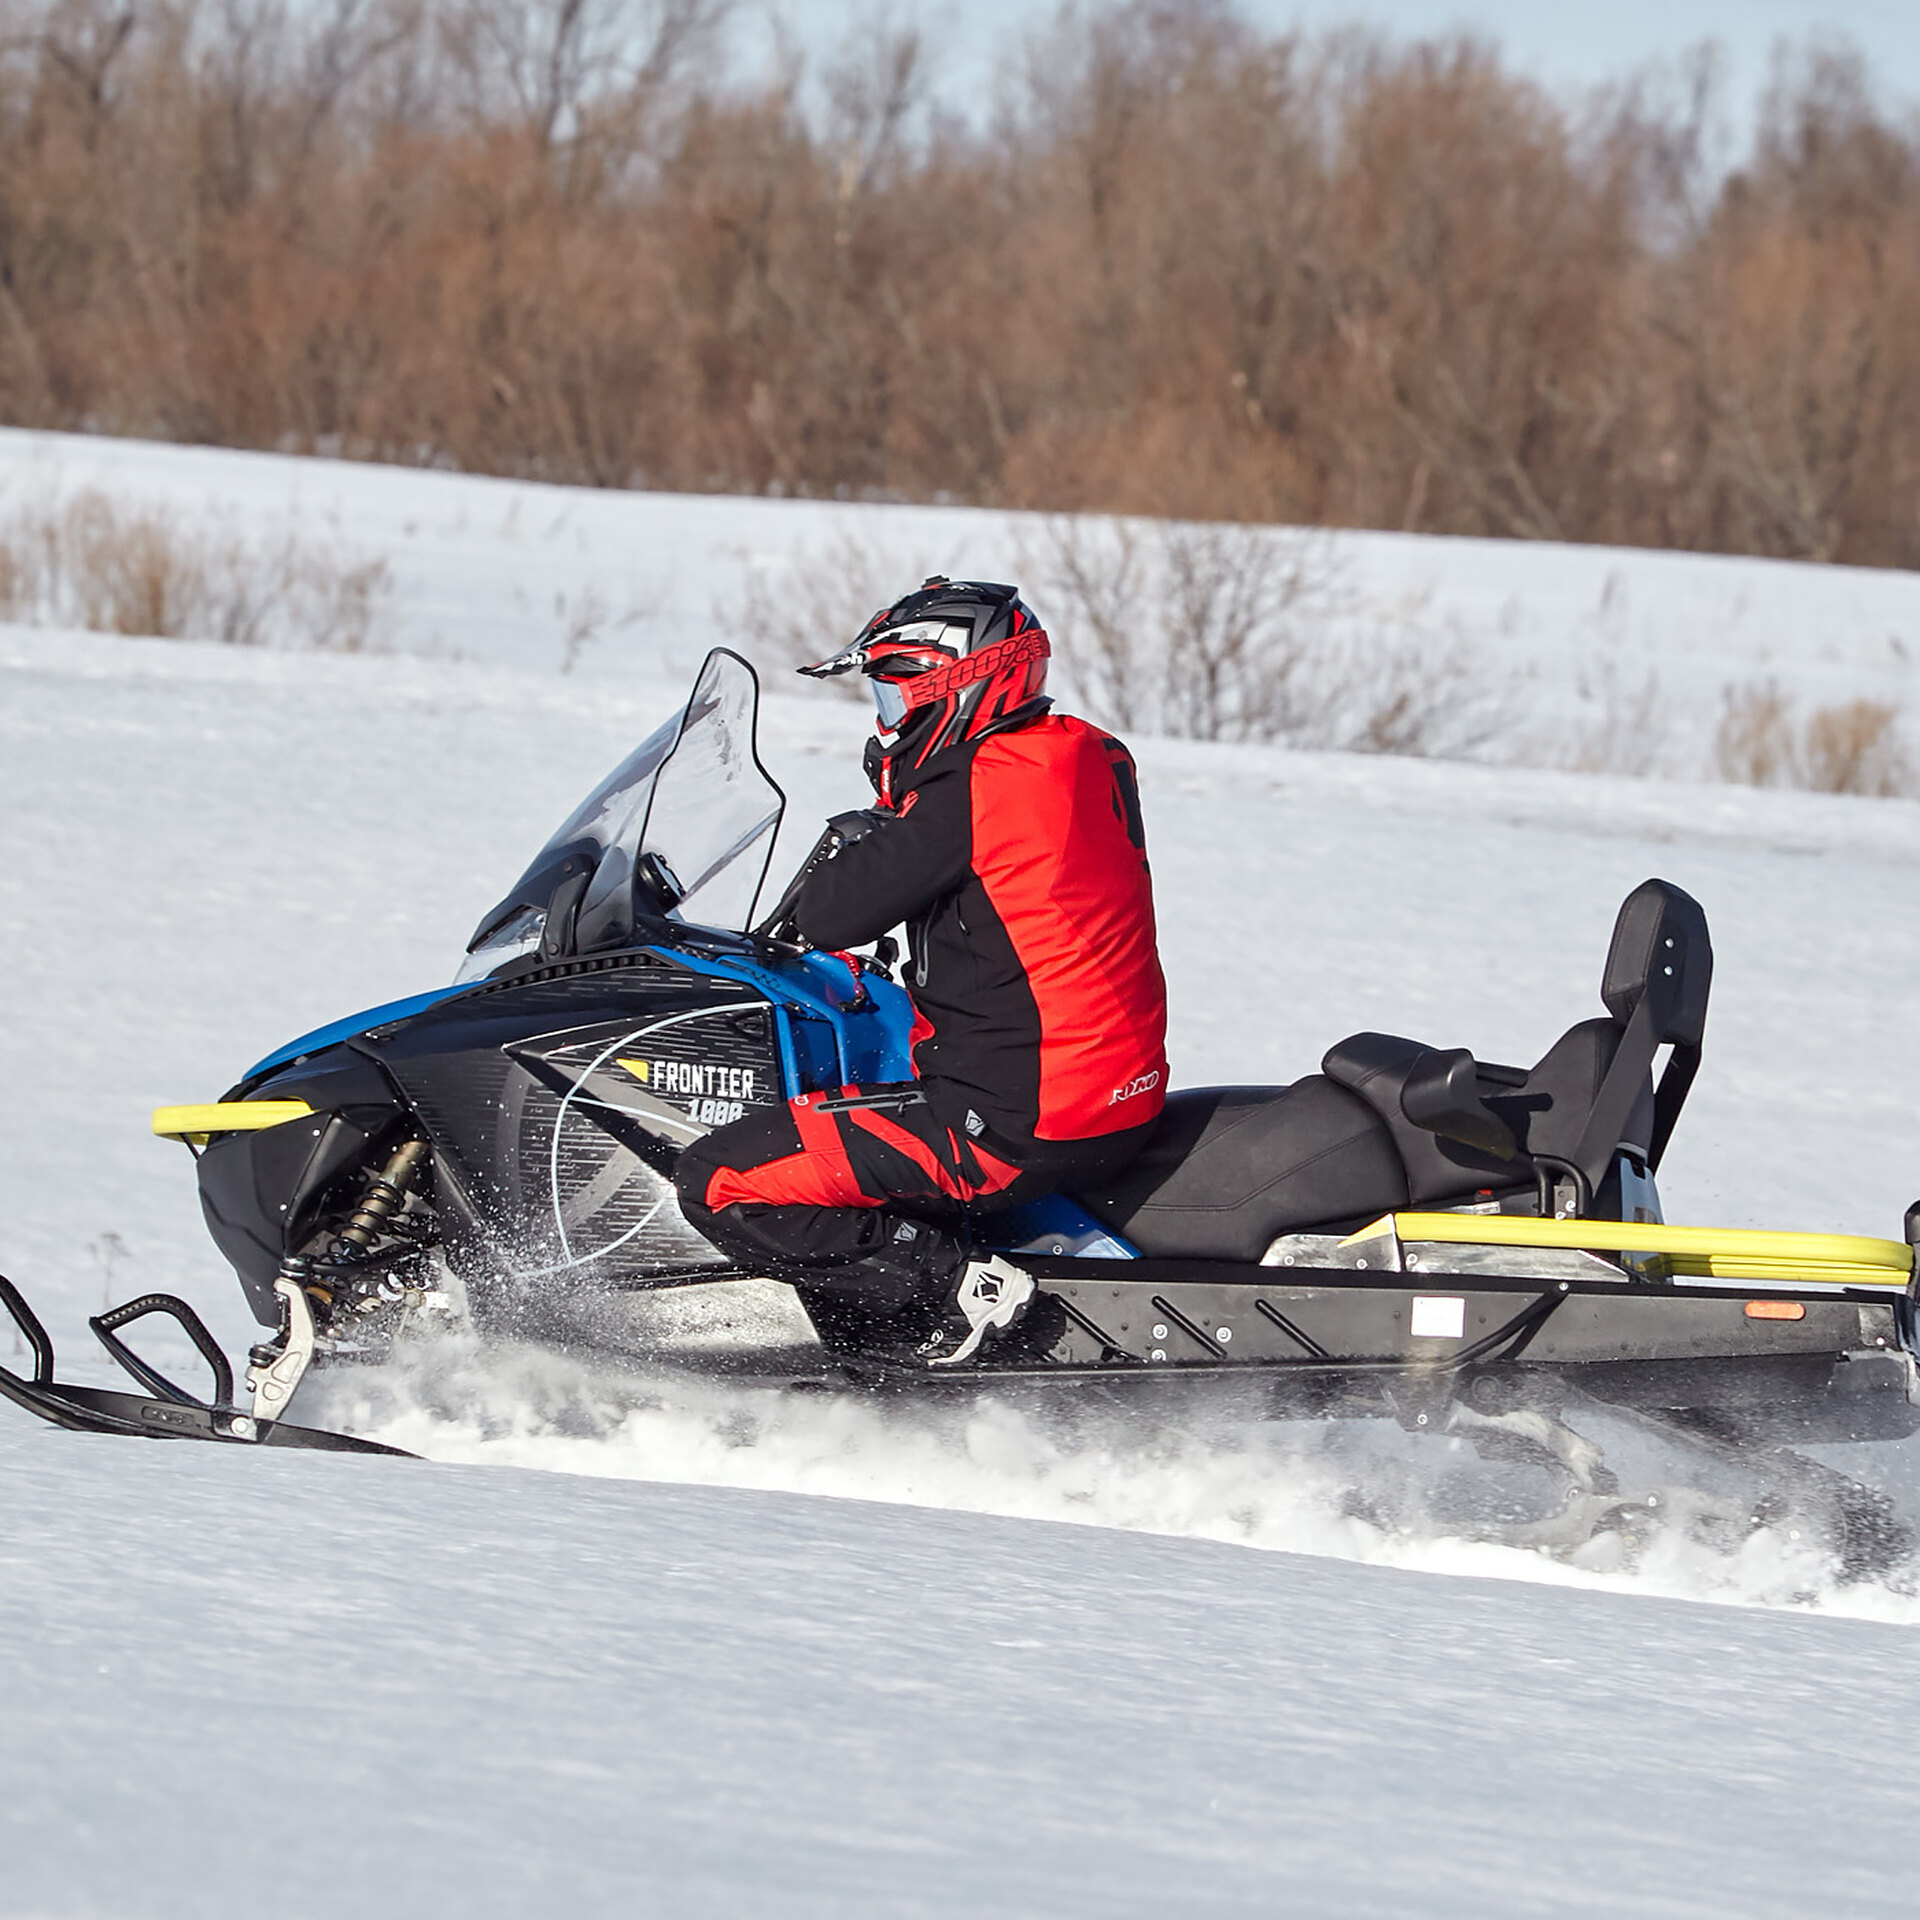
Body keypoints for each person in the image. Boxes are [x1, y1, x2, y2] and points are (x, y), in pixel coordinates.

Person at [674, 577, 1168, 1362]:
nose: (887, 723)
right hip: (1109, 1100)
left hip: (1010, 1126)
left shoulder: (974, 786)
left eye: (896, 699)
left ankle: (959, 1286)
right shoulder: (1082, 754)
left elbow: (832, 916)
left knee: (722, 1179)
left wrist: (887, 807)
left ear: (960, 687)